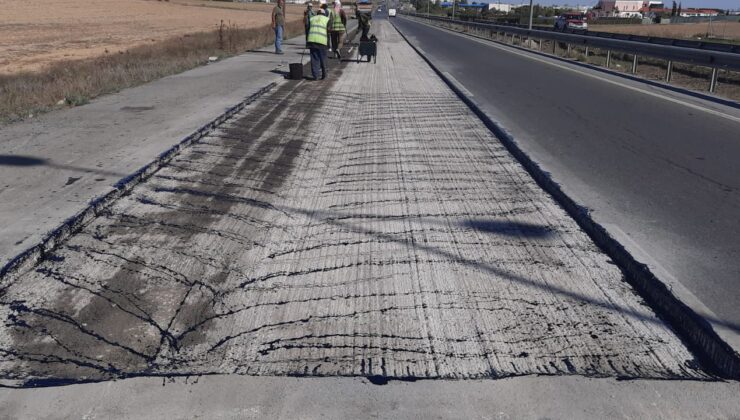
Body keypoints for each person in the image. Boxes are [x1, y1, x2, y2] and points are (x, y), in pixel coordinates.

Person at [306, 8, 330, 80]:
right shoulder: (327, 19)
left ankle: (315, 76)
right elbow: (329, 30)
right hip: (322, 41)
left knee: (314, 58)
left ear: (317, 13)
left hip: (312, 41)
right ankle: (324, 75)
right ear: (324, 13)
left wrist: (307, 41)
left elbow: (307, 29)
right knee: (323, 58)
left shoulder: (312, 19)